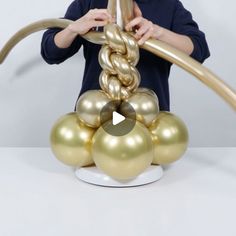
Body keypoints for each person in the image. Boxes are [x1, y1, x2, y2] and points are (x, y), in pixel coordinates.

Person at [41, 0, 210, 111]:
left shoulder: (168, 4)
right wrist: (72, 29)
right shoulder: (88, 3)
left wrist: (158, 32)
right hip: (95, 114)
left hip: (149, 116)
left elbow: (198, 50)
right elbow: (50, 52)